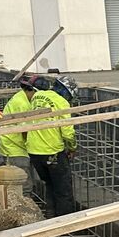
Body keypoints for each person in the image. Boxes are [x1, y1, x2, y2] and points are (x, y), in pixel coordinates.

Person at [25, 73, 77, 216]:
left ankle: (50, 215)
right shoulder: (62, 103)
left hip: (34, 151)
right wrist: (72, 147)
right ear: (66, 92)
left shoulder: (38, 96)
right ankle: (66, 223)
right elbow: (67, 132)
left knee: (50, 184)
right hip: (52, 151)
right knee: (63, 188)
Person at [0, 73, 40, 159]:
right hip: (15, 147)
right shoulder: (23, 104)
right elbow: (25, 130)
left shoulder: (21, 95)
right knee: (20, 171)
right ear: (31, 90)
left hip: (9, 142)